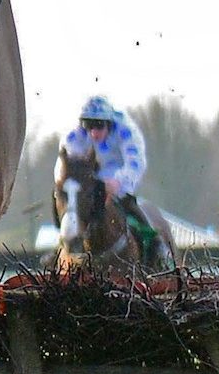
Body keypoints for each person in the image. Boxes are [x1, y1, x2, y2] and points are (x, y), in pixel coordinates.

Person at [59, 95, 168, 266]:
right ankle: (60, 246)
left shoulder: (126, 132)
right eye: (89, 125)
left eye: (99, 126)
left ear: (109, 123)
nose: (93, 132)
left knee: (129, 206)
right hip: (91, 181)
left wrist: (118, 181)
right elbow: (69, 165)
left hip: (119, 179)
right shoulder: (74, 136)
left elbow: (136, 162)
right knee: (63, 199)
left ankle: (155, 243)